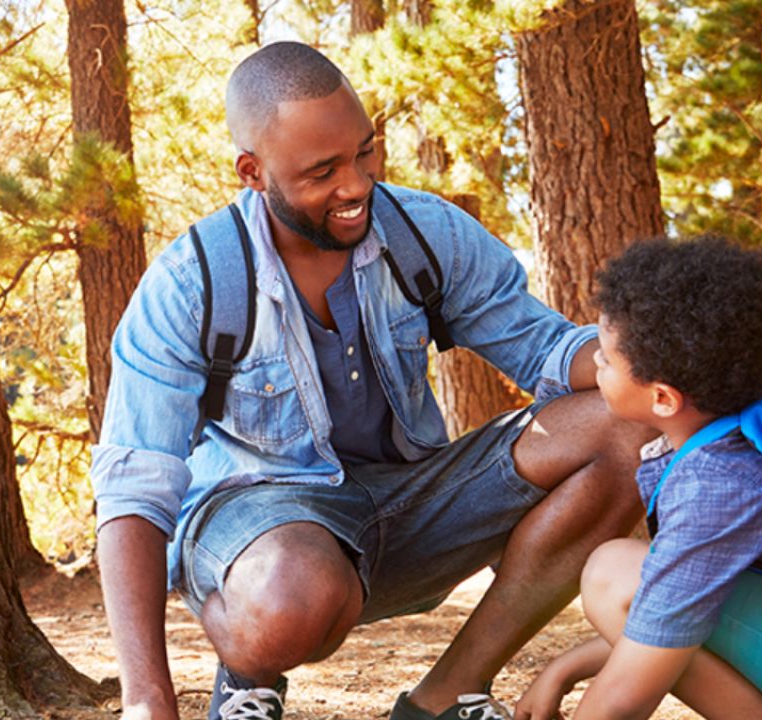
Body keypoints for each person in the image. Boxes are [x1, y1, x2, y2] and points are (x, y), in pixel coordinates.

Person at [92, 41, 650, 720]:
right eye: (323, 171)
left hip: (411, 502)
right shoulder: (192, 284)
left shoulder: (426, 233)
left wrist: (653, 360)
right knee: (289, 599)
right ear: (252, 171)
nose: (357, 184)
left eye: (365, 152)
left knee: (627, 422)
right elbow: (133, 493)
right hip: (267, 529)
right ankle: (248, 672)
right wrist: (147, 700)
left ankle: (442, 699)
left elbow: (544, 349)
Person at [514, 237, 762, 720]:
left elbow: (625, 695)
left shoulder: (718, 480)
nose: (594, 360)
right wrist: (567, 666)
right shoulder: (754, 423)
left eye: (606, 358)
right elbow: (688, 603)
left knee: (615, 575)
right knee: (625, 575)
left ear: (663, 398)